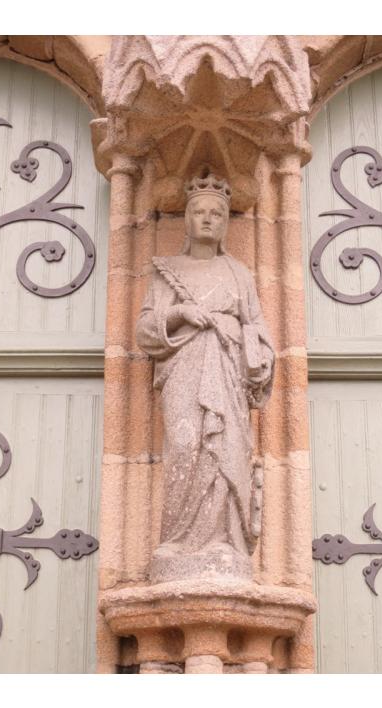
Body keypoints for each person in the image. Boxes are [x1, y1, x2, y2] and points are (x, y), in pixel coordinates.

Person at [135, 174, 275, 583]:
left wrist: (254, 350)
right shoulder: (168, 273)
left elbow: (259, 329)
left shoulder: (239, 273)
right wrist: (179, 314)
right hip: (184, 367)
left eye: (217, 213)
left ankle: (223, 541)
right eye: (199, 212)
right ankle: (176, 540)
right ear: (188, 219)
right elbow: (144, 331)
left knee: (223, 450)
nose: (208, 219)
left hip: (226, 371)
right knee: (184, 447)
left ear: (226, 223)